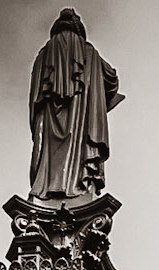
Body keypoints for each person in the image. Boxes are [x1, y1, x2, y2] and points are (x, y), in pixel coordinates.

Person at [27, 10, 123, 202]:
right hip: (82, 122)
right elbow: (112, 79)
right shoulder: (90, 53)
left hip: (50, 119)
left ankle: (46, 186)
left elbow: (36, 95)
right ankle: (79, 185)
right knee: (80, 153)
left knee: (49, 153)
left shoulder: (44, 54)